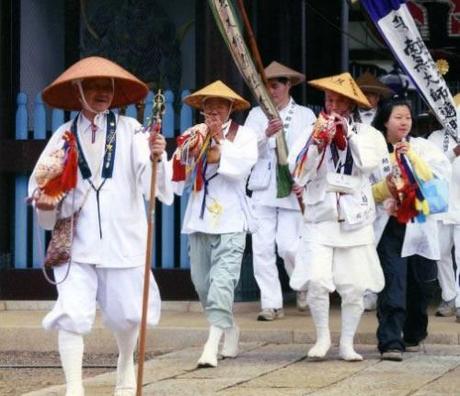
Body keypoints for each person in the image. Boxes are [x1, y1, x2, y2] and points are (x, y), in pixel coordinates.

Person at [29, 56, 174, 396]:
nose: (101, 92)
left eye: (106, 86)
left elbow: (153, 185)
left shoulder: (132, 131)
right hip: (77, 242)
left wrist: (157, 157)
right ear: (78, 91)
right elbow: (40, 183)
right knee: (72, 313)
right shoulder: (63, 136)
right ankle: (74, 388)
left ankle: (125, 364)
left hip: (123, 238)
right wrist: (47, 196)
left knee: (127, 314)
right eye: (93, 86)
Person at [288, 72, 386, 361]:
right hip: (321, 214)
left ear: (351, 105)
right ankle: (322, 338)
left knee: (353, 287)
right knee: (318, 280)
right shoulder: (311, 130)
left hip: (355, 216)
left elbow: (371, 166)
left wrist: (349, 135)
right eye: (329, 99)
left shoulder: (369, 134)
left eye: (339, 101)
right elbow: (298, 173)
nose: (332, 106)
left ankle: (347, 343)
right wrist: (318, 145)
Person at [171, 80, 258, 367]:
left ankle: (211, 345)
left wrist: (219, 142)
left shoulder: (244, 136)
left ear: (231, 108)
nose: (215, 111)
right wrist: (189, 150)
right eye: (209, 106)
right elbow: (179, 169)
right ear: (202, 110)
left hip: (232, 218)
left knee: (223, 283)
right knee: (202, 283)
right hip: (200, 217)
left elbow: (241, 168)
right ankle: (228, 327)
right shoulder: (193, 134)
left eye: (221, 105)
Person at [371, 98, 451, 361]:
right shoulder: (374, 148)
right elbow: (366, 188)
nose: (404, 122)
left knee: (420, 285)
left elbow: (437, 177)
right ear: (385, 120)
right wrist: (386, 189)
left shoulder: (422, 146)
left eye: (407, 117)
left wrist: (412, 157)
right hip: (389, 224)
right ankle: (391, 341)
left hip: (418, 224)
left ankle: (415, 332)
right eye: (398, 117)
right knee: (393, 282)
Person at [244, 61, 316, 320]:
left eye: (275, 85)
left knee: (288, 246)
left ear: (287, 85)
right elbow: (247, 148)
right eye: (266, 85)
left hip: (292, 186)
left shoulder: (306, 115)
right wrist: (265, 134)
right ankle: (271, 303)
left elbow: (312, 151)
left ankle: (302, 285)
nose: (271, 91)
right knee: (262, 247)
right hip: (264, 186)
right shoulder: (255, 115)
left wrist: (304, 181)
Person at [355, 73, 393, 311]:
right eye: (364, 93)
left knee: (374, 241)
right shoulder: (347, 118)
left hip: (381, 185)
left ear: (379, 98)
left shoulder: (387, 119)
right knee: (358, 241)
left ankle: (371, 292)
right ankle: (359, 290)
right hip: (354, 187)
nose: (368, 98)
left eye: (372, 94)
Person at [427, 93, 460, 320]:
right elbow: (429, 167)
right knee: (439, 253)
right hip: (441, 205)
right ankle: (449, 295)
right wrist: (452, 153)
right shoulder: (434, 137)